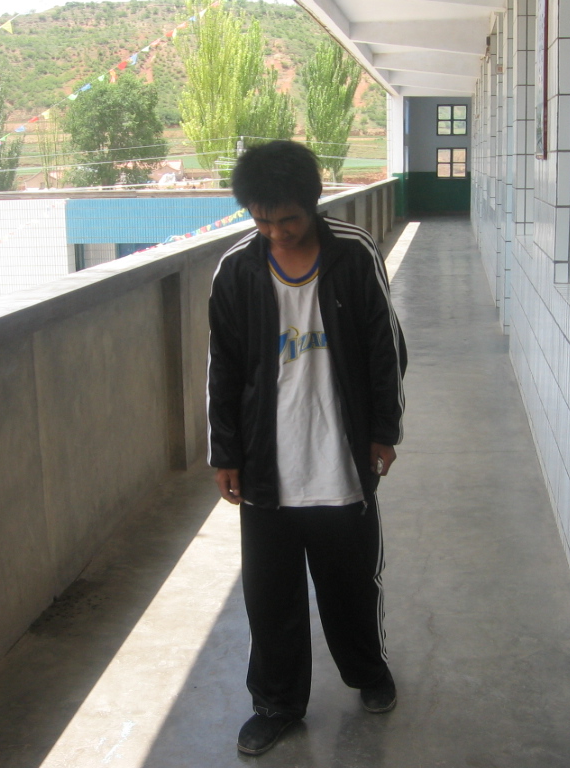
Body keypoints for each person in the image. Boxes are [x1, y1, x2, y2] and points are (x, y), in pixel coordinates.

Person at [206, 140, 407, 756]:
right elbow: (223, 367)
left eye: (287, 219)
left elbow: (386, 349)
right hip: (267, 467)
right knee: (270, 597)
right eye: (262, 220)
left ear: (312, 204)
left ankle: (368, 673)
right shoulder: (237, 270)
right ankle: (276, 703)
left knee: (351, 585)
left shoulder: (353, 254)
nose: (276, 232)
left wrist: (384, 430)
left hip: (341, 461)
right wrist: (225, 453)